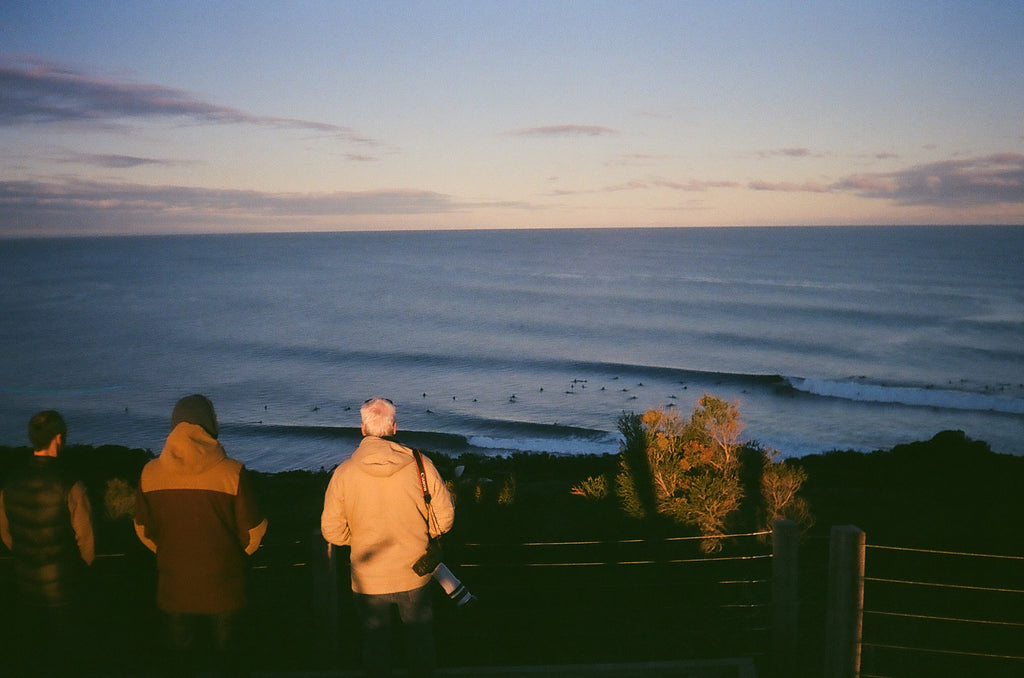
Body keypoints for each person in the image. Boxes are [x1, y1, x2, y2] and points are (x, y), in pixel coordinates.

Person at [134, 394, 267, 678]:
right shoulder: (233, 473)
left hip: (174, 588)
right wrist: (231, 557)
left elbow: (143, 531)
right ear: (211, 424)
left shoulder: (149, 473)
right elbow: (254, 532)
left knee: (179, 663)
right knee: (226, 662)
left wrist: (171, 553)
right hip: (225, 588)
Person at [321, 397, 455, 678]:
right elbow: (445, 519)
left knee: (375, 650)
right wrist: (422, 534)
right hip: (416, 573)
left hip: (368, 578)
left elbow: (331, 531)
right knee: (420, 649)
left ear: (361, 429)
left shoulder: (344, 473)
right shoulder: (421, 465)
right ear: (394, 428)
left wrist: (357, 538)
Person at [0, 409, 95, 677]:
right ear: (57, 439)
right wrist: (81, 569)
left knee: (34, 653)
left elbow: (5, 532)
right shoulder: (70, 484)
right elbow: (86, 540)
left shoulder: (11, 482)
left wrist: (24, 556)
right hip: (66, 586)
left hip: (25, 582)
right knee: (66, 654)